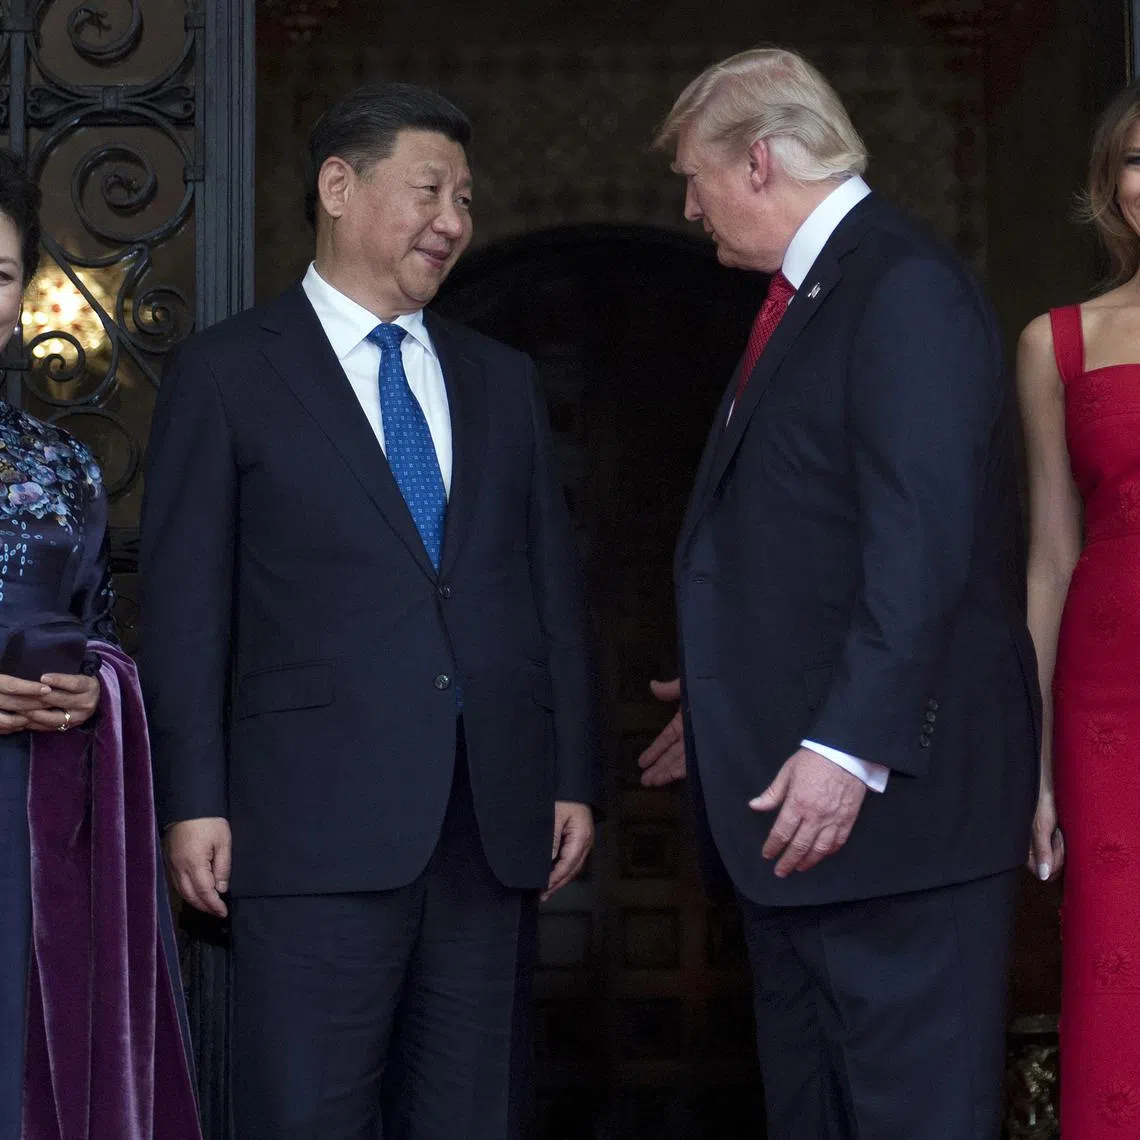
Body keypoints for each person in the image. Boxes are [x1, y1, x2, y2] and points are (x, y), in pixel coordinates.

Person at [140, 83, 599, 1140]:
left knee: (470, 1115)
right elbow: (185, 607)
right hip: (300, 829)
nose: (454, 222)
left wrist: (572, 773)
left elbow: (549, 593)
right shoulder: (226, 374)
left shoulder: (501, 381)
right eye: (430, 191)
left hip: (486, 826)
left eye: (467, 200)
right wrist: (191, 799)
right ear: (337, 188)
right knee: (307, 1114)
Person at [640, 48, 1039, 1138]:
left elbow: (922, 544)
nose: (689, 207)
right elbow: (804, 542)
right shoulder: (815, 291)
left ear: (759, 160)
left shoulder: (898, 286)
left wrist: (847, 745)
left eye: (695, 177)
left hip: (894, 835)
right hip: (810, 851)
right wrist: (729, 708)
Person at [0, 150, 199, 1137]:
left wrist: (96, 691)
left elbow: (102, 636)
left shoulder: (65, 465)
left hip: (31, 831)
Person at [1019, 79, 1140, 1138]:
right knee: (1116, 977)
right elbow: (1051, 559)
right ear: (1112, 186)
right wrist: (1038, 762)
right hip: (1108, 704)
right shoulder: (1058, 341)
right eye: (1139, 159)